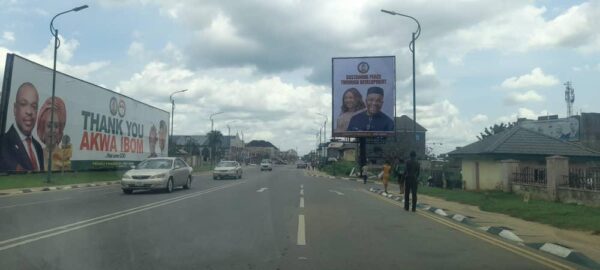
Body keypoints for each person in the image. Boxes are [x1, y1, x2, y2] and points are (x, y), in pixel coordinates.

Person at [0, 82, 44, 172]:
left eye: (34, 106)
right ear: (15, 109)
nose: (29, 111)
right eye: (24, 104)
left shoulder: (38, 147)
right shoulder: (4, 143)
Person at [36, 96, 70, 171]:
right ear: (43, 128)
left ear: (60, 130)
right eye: (49, 126)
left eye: (56, 126)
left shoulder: (64, 156)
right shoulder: (36, 154)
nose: (53, 130)